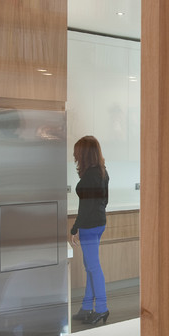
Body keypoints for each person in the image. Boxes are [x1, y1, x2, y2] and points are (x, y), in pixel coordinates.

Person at [70, 136, 109, 325]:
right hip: (99, 223)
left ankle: (101, 309)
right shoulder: (102, 172)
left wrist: (75, 227)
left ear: (85, 153)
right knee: (91, 268)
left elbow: (85, 207)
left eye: (78, 152)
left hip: (89, 226)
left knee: (93, 268)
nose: (75, 156)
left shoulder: (89, 175)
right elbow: (103, 201)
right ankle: (86, 308)